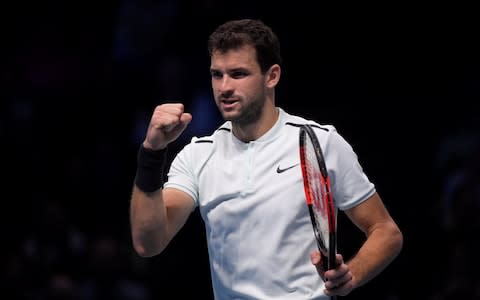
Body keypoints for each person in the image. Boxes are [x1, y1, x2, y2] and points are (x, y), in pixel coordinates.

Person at [129, 18, 403, 299]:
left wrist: (353, 274)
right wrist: (151, 152)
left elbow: (386, 231)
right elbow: (148, 243)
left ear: (271, 76)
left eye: (238, 74)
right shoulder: (198, 154)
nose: (224, 87)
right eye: (216, 74)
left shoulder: (320, 142)